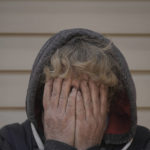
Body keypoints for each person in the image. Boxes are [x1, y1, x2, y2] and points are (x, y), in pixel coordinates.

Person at [0, 28, 150, 150]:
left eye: (88, 92)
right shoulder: (10, 141)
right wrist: (57, 144)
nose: (75, 101)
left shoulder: (143, 143)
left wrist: (89, 146)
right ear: (44, 95)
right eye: (66, 90)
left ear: (109, 100)